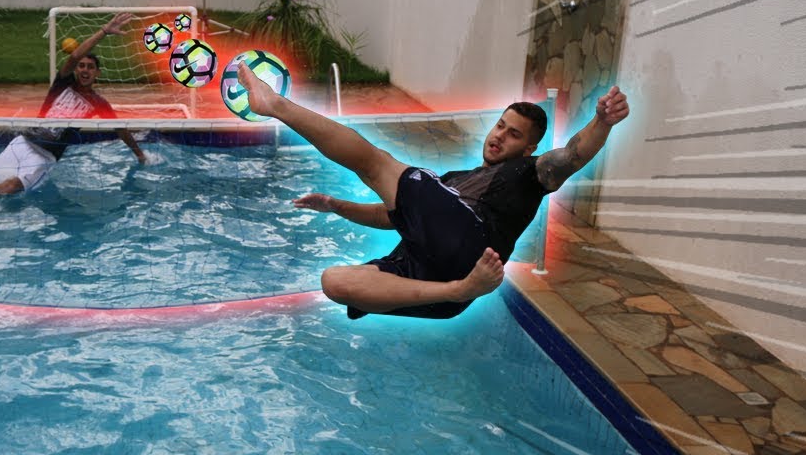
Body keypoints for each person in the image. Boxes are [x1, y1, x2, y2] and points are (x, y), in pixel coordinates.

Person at [238, 64, 630, 319]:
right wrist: (335, 205)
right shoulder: (454, 181)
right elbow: (390, 215)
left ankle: (274, 105)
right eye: (500, 126)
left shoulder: (529, 172)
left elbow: (572, 156)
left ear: (528, 148)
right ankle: (457, 291)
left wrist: (602, 122)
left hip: (472, 244)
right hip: (440, 285)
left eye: (513, 135)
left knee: (378, 162)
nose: (499, 138)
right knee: (335, 282)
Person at [0, 13, 146, 199]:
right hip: (22, 143)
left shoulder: (98, 103)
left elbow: (121, 129)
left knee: (9, 188)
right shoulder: (62, 83)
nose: (84, 70)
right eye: (82, 66)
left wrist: (140, 155)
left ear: (97, 73)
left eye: (90, 67)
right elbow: (73, 56)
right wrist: (103, 31)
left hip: (44, 158)